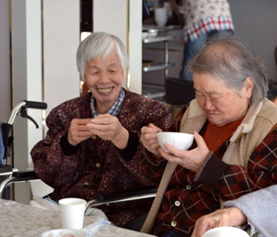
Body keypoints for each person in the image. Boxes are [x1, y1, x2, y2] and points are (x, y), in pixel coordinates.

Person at [139, 35, 277, 237]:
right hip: (163, 229)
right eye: (199, 93)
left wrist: (206, 167)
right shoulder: (193, 113)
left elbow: (273, 206)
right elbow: (158, 179)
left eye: (214, 96)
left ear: (247, 88)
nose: (206, 105)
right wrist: (156, 153)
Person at [30, 32, 171, 227]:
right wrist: (67, 143)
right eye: (95, 72)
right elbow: (48, 174)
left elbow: (163, 174)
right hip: (72, 210)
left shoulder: (152, 113)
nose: (104, 80)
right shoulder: (65, 113)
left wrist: (125, 139)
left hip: (127, 214)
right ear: (83, 75)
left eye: (112, 70)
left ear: (124, 71)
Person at [167, 0, 235, 81]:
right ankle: (221, 93)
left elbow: (174, 6)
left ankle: (187, 93)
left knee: (192, 65)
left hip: (199, 16)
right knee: (222, 65)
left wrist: (174, 6)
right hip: (222, 16)